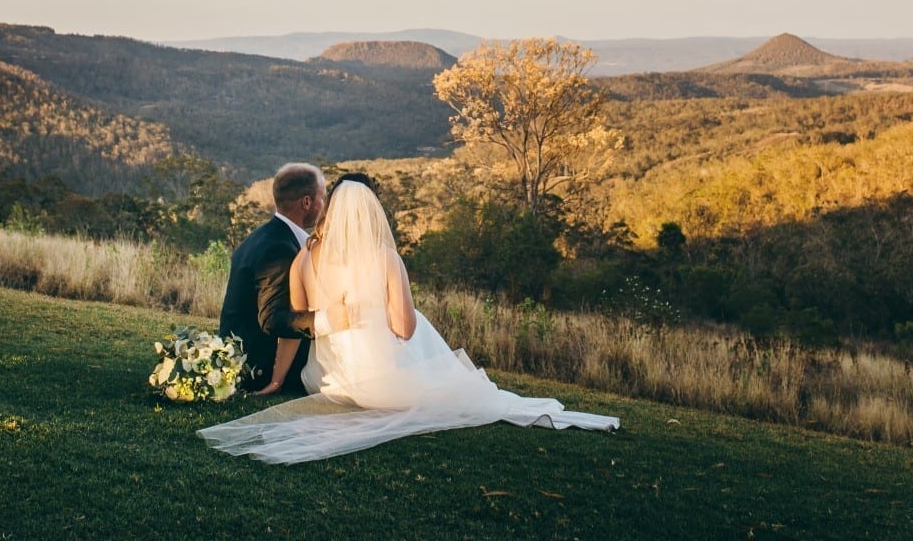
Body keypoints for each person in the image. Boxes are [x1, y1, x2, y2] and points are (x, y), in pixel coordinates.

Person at [199, 175, 618, 463]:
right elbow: (404, 329)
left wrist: (277, 379)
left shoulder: (304, 258)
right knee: (413, 318)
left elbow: (298, 321)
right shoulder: (385, 259)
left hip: (324, 380)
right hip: (379, 383)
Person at [216, 162, 328, 394]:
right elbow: (272, 320)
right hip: (258, 365)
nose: (324, 205)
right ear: (307, 202)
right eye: (323, 197)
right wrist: (327, 321)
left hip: (241, 350)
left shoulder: (264, 236)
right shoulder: (278, 248)